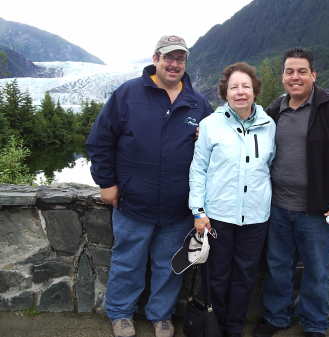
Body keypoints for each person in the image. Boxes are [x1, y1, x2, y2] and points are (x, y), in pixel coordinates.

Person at [86, 35, 212, 337]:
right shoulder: (128, 94)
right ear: (156, 58)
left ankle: (161, 315)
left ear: (185, 63)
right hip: (133, 202)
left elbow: (214, 151)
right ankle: (120, 314)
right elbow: (100, 140)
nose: (174, 64)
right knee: (127, 262)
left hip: (177, 206)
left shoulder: (198, 103)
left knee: (169, 266)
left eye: (180, 59)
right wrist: (107, 182)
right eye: (168, 57)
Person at [253, 48, 329, 337]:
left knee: (315, 271)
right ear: (283, 77)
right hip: (277, 207)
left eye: (302, 71)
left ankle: (315, 324)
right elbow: (249, 138)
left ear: (313, 75)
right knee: (278, 267)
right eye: (290, 71)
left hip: (318, 210)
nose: (295, 76)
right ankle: (277, 318)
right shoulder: (275, 109)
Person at [189, 62, 276, 337]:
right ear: (225, 91)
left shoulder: (269, 126)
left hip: (255, 218)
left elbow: (270, 167)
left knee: (245, 276)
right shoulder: (209, 125)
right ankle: (215, 326)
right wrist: (198, 211)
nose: (240, 92)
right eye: (234, 87)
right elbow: (198, 170)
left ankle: (234, 328)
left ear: (255, 91)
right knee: (218, 276)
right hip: (219, 217)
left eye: (246, 87)